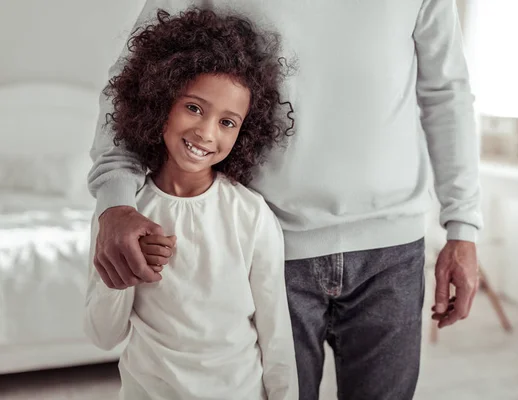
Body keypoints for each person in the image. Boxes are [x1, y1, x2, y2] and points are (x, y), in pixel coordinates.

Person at [89, 1, 483, 399]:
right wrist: (115, 200)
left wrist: (463, 225)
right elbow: (130, 79)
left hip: (392, 252)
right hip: (271, 245)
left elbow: (447, 92)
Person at [84, 8, 298, 399]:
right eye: (194, 108)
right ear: (160, 100)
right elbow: (102, 334)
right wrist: (129, 270)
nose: (205, 132)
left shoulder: (251, 215)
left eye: (227, 122)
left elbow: (276, 336)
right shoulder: (121, 216)